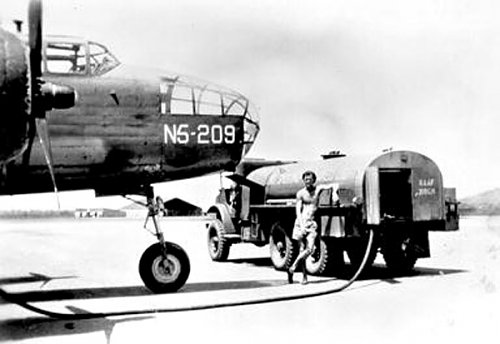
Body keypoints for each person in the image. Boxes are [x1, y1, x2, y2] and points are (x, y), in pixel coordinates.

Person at [287, 170, 338, 284]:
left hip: (312, 223)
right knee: (302, 250)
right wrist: (302, 225)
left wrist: (334, 192)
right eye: (305, 180)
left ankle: (293, 267)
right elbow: (298, 211)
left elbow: (334, 185)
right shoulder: (300, 193)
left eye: (310, 180)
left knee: (310, 249)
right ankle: (304, 277)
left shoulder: (317, 190)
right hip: (301, 223)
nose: (307, 182)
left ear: (313, 180)